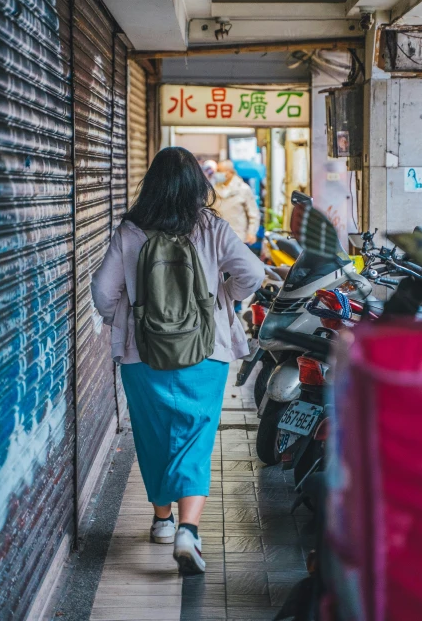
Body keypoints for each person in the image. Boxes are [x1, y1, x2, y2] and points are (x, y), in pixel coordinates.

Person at [91, 147, 264, 575]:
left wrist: (126, 319)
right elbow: (254, 275)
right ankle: (189, 529)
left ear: (152, 185)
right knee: (195, 437)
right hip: (205, 352)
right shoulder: (211, 227)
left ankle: (163, 520)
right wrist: (225, 299)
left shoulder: (130, 232)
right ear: (196, 187)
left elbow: (101, 291)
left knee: (151, 436)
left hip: (142, 353)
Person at [214, 159, 261, 245]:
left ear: (229, 172)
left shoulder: (243, 189)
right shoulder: (214, 190)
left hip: (238, 238)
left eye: (219, 171)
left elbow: (253, 214)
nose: (216, 174)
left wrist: (251, 233)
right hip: (218, 238)